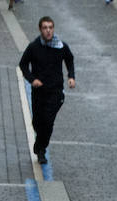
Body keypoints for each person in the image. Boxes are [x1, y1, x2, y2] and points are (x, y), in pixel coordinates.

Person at [18, 18, 75, 165]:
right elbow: (23, 64)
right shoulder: (34, 47)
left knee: (48, 123)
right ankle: (40, 143)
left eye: (50, 27)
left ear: (54, 29)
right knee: (37, 122)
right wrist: (32, 79)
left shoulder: (61, 46)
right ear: (40, 29)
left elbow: (69, 59)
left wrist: (71, 76)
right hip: (39, 92)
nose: (48, 30)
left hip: (55, 92)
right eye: (45, 28)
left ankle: (41, 149)